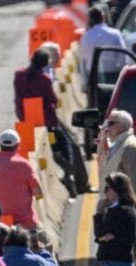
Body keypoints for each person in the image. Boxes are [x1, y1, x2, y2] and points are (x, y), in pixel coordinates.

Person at [14, 49, 88, 197]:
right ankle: (73, 178)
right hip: (49, 123)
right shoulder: (44, 79)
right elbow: (53, 101)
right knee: (71, 145)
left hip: (27, 124)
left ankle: (65, 170)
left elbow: (18, 99)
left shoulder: (19, 75)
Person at [0, 130, 43, 231]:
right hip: (25, 223)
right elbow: (38, 193)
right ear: (18, 145)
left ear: (0, 145)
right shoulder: (23, 164)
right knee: (44, 240)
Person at [98, 110, 136, 198]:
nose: (107, 128)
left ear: (121, 126)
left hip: (124, 207)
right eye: (106, 124)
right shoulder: (118, 144)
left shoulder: (130, 146)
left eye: (111, 124)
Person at [79, 6, 130, 80]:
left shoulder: (86, 37)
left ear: (89, 20)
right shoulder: (115, 34)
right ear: (103, 17)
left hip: (93, 75)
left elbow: (83, 60)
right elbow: (123, 58)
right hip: (113, 74)